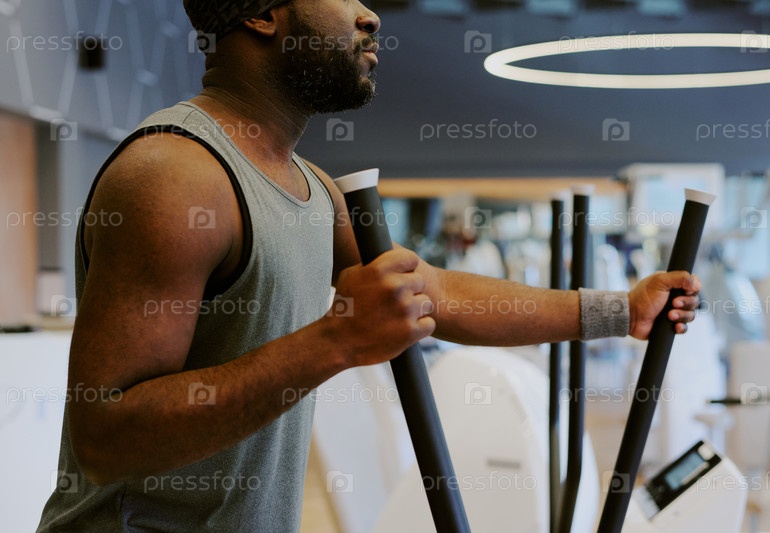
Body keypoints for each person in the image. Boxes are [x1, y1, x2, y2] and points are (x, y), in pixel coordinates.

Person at [37, 0, 702, 531]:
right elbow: (105, 437)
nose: (370, 15)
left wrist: (620, 309)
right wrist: (338, 341)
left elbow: (433, 293)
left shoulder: (312, 187)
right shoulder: (175, 176)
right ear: (264, 14)